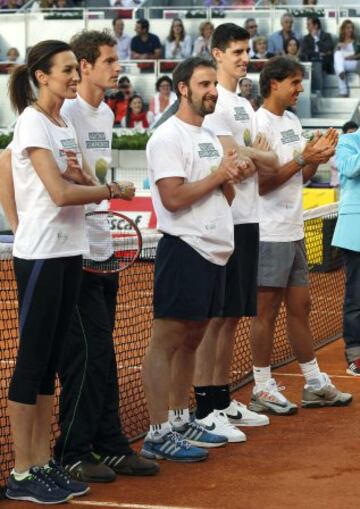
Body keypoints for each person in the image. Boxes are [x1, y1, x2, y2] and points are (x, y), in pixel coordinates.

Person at [0, 39, 132, 505]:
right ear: (42, 76)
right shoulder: (34, 121)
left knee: (50, 366)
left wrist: (88, 182)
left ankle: (41, 464)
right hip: (40, 256)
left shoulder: (59, 122)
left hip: (68, 253)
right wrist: (109, 188)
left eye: (75, 70)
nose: (74, 76)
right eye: (66, 70)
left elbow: (72, 177)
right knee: (31, 364)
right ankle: (21, 469)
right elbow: (57, 192)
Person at [51, 30, 158, 482]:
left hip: (102, 250)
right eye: (110, 60)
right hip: (71, 255)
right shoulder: (66, 112)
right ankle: (71, 451)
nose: (119, 67)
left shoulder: (102, 114)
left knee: (105, 353)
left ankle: (110, 444)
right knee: (87, 355)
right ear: (85, 66)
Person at [141, 56, 246, 462]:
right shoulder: (167, 137)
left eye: (214, 85)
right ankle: (156, 431)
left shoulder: (206, 136)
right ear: (182, 87)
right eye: (204, 84)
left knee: (192, 339)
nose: (212, 91)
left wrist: (227, 179)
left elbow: (221, 192)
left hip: (215, 250)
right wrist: (220, 176)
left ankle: (182, 418)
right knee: (166, 340)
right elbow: (172, 197)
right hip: (185, 248)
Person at [248, 56, 352, 415]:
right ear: (274, 83)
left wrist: (316, 158)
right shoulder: (257, 123)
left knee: (301, 308)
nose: (300, 89)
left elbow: (300, 177)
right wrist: (302, 158)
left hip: (293, 228)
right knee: (266, 312)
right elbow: (262, 185)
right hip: (268, 232)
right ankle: (261, 386)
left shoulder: (292, 120)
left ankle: (313, 383)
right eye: (294, 82)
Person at [193, 23, 281, 442]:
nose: (244, 57)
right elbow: (236, 157)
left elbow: (266, 160)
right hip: (223, 220)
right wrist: (256, 154)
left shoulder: (244, 103)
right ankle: (203, 404)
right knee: (214, 318)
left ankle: (221, 396)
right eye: (236, 52)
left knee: (230, 318)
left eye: (247, 51)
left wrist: (255, 154)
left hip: (249, 218)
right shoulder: (218, 101)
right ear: (216, 53)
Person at [332, 122, 360, 375]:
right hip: (355, 232)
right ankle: (355, 353)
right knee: (357, 295)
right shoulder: (348, 142)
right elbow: (351, 169)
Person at [300, 16, 334, 94]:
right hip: (311, 60)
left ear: (316, 25)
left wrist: (316, 39)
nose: (306, 27)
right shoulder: (306, 38)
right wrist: (319, 54)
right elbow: (305, 52)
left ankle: (318, 93)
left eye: (309, 25)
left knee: (317, 65)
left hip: (324, 62)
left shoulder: (326, 36)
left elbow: (328, 48)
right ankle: (309, 93)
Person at [334, 19, 360, 98]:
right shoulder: (339, 41)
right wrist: (337, 46)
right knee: (337, 55)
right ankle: (341, 72)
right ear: (344, 29)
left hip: (354, 63)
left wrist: (352, 57)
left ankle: (343, 92)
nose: (350, 30)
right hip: (344, 64)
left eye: (351, 28)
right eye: (348, 28)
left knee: (336, 66)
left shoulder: (357, 41)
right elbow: (334, 55)